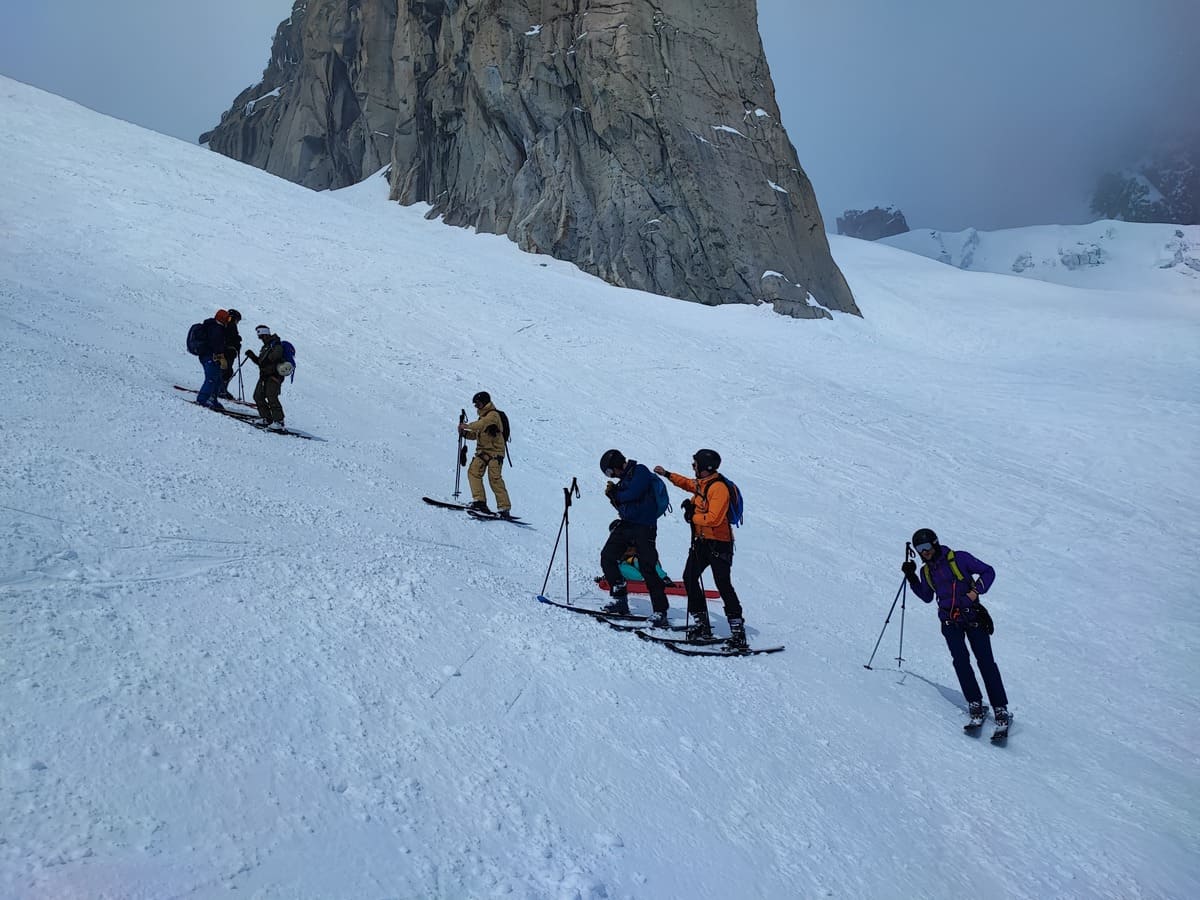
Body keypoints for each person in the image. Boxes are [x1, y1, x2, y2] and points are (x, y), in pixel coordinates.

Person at [902, 528, 1010, 730]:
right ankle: (974, 703)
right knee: (961, 662)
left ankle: (1000, 707)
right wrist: (912, 577)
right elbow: (926, 597)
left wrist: (974, 592)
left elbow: (989, 571)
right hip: (949, 622)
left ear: (935, 543)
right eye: (919, 549)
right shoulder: (926, 571)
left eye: (926, 546)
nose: (924, 552)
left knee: (986, 662)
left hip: (973, 617)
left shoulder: (959, 558)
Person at [654, 449, 746, 648]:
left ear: (706, 468)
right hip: (702, 541)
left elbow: (714, 518)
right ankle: (701, 622)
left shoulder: (718, 488)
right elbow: (688, 484)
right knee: (689, 577)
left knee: (723, 584)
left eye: (695, 464)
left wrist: (692, 516)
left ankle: (738, 632)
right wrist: (668, 474)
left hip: (719, 543)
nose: (693, 466)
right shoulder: (703, 483)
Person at [599, 449, 670, 627]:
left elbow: (633, 494)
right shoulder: (623, 482)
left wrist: (617, 494)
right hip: (627, 524)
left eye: (610, 471)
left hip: (645, 527)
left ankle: (660, 611)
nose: (612, 475)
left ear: (616, 464)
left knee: (647, 567)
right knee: (608, 556)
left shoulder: (640, 471)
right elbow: (624, 505)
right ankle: (620, 598)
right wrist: (614, 498)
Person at [457, 391, 512, 517]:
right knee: (473, 472)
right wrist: (464, 434)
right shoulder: (483, 417)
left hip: (495, 454)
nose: (476, 406)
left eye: (478, 403)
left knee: (495, 480)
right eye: (475, 404)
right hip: (483, 452)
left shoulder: (492, 415)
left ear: (485, 402)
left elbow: (481, 425)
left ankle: (504, 508)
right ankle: (480, 501)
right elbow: (477, 434)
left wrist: (466, 426)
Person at [244, 324, 287, 431]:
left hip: (274, 377)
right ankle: (266, 418)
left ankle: (279, 422)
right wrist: (252, 356)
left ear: (266, 334)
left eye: (262, 336)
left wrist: (266, 362)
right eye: (260, 337)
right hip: (264, 376)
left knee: (272, 397)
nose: (261, 339)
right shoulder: (266, 347)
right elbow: (261, 363)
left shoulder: (276, 345)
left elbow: (274, 358)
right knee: (258, 396)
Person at [194, 308, 232, 410]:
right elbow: (216, 345)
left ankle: (212, 399)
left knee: (217, 378)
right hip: (210, 356)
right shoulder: (216, 328)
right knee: (211, 378)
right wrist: (222, 357)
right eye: (227, 319)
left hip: (211, 356)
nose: (228, 321)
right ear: (222, 318)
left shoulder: (215, 326)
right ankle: (202, 399)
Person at [217, 308, 243, 400]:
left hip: (224, 351)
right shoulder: (231, 325)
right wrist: (237, 341)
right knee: (226, 371)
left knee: (224, 370)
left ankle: (220, 389)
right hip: (228, 352)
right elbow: (232, 337)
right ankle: (221, 390)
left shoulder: (225, 324)